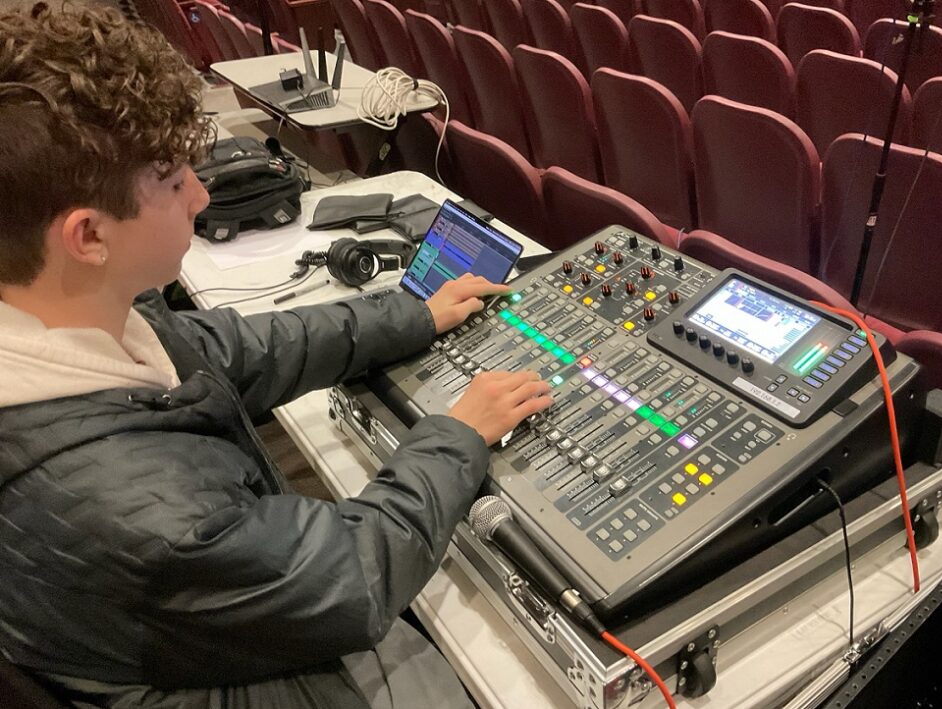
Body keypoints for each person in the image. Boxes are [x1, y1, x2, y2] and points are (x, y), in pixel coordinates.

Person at [0, 4, 553, 707]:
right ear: (87, 236)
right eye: (174, 182)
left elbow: (246, 350)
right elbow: (353, 576)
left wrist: (413, 313)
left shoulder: (71, 320)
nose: (202, 194)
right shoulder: (142, 512)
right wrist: (457, 435)